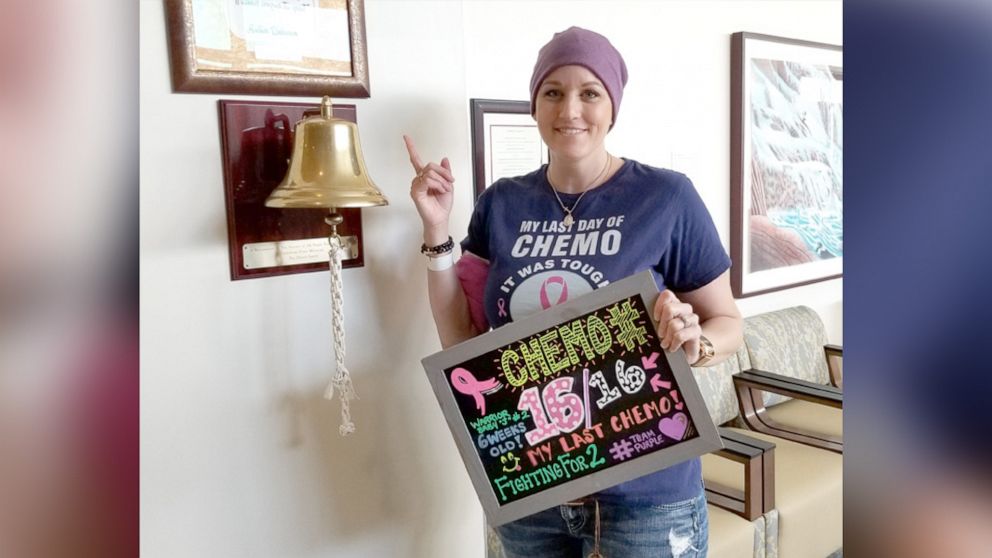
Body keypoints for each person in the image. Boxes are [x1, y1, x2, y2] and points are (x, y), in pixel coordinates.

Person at [405, 26, 742, 558]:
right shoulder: (501, 204)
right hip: (533, 486)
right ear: (535, 106)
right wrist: (435, 230)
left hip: (646, 492)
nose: (571, 109)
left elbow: (728, 321)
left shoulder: (667, 197)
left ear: (613, 107)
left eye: (590, 92)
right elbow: (462, 339)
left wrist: (695, 342)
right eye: (553, 92)